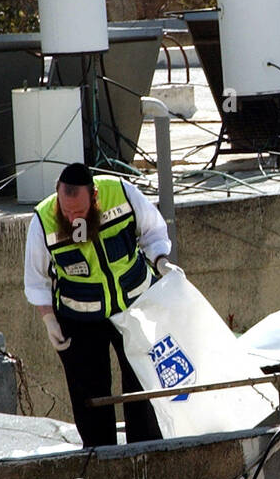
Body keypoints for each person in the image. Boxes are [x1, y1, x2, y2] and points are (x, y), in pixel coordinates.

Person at [24, 162, 171, 447]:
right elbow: (36, 280)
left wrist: (161, 262)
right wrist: (48, 321)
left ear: (94, 197)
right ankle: (102, 461)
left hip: (134, 309)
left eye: (79, 212)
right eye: (67, 212)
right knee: (91, 400)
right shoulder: (43, 220)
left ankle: (146, 455)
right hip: (80, 321)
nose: (73, 217)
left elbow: (153, 232)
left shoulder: (122, 193)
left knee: (142, 389)